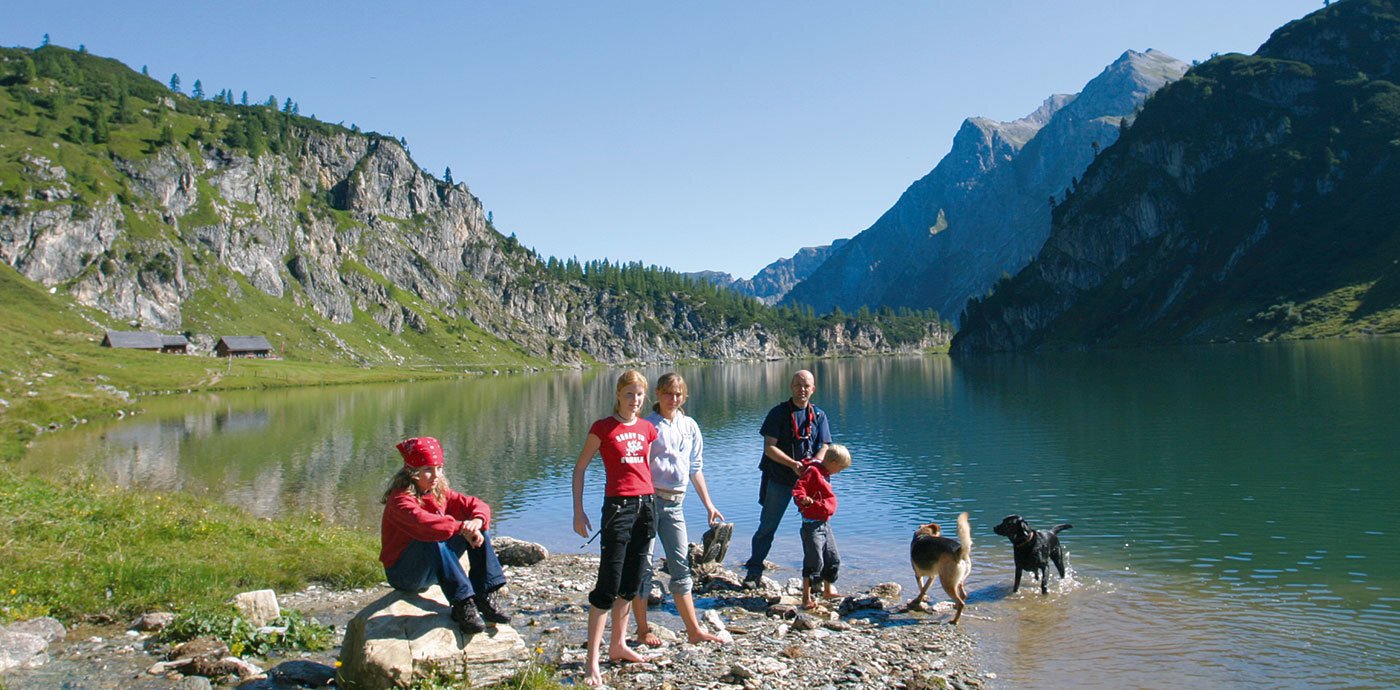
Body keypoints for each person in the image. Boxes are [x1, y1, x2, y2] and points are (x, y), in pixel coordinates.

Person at [572, 370, 659, 687]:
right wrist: (578, 511)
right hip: (618, 509)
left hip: (646, 507)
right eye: (629, 394)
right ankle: (591, 661)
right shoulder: (603, 427)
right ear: (618, 394)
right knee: (608, 583)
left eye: (639, 395)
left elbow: (644, 468)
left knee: (632, 582)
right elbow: (580, 467)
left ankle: (618, 644)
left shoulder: (648, 429)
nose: (634, 400)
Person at [379, 436, 512, 635]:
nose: (436, 475)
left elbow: (476, 504)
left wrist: (476, 522)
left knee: (479, 527)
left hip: (431, 569)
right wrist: (461, 528)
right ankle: (462, 604)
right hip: (405, 574)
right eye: (428, 470)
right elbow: (423, 523)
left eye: (439, 468)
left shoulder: (437, 491)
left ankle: (484, 594)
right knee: (430, 535)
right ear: (412, 472)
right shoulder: (399, 500)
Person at [631, 373, 728, 646]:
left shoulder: (690, 426)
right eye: (668, 394)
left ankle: (694, 630)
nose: (673, 399)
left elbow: (695, 468)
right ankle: (642, 629)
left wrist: (709, 504)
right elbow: (636, 468)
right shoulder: (647, 426)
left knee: (681, 567)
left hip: (676, 505)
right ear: (658, 395)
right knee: (643, 567)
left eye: (678, 394)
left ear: (684, 396)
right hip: (648, 504)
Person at [743, 369, 832, 586]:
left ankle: (818, 577)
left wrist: (816, 464)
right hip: (780, 479)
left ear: (813, 389)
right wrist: (793, 464)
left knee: (816, 529)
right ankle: (754, 571)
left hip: (809, 483)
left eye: (806, 386)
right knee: (768, 526)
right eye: (798, 385)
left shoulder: (819, 415)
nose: (802, 389)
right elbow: (769, 448)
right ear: (791, 387)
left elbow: (825, 445)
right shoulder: (778, 413)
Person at [792, 443, 851, 608]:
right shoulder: (813, 471)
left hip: (825, 524)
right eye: (839, 468)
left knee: (833, 558)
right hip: (811, 525)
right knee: (814, 561)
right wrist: (803, 499)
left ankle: (828, 590)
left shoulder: (824, 472)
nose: (839, 472)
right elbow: (798, 488)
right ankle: (806, 597)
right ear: (831, 462)